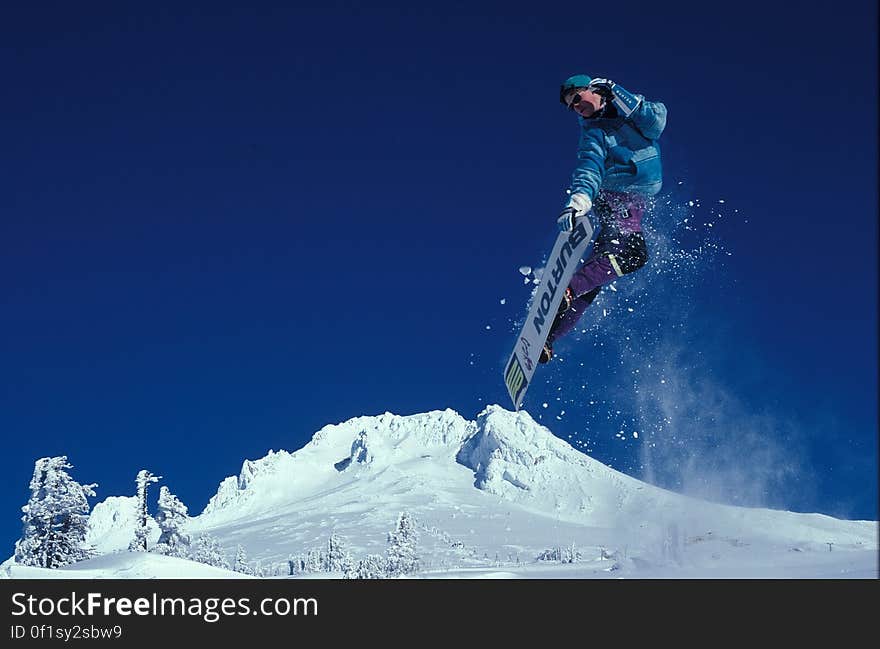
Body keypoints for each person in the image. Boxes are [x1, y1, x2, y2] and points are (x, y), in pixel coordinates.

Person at [540, 74, 668, 363]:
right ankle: (568, 289)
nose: (575, 106)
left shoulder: (632, 113)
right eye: (570, 105)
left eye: (577, 97)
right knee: (632, 255)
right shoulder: (593, 133)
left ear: (594, 89)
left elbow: (656, 123)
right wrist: (579, 201)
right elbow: (589, 168)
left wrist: (617, 91)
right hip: (616, 198)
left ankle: (548, 334)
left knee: (599, 272)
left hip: (632, 203)